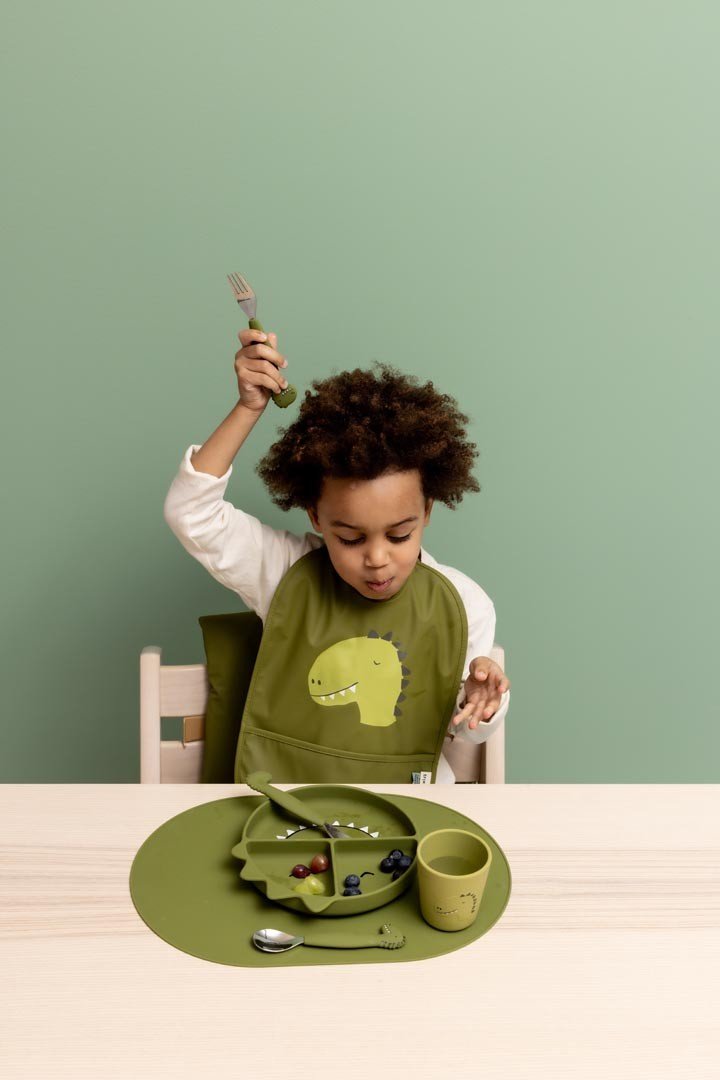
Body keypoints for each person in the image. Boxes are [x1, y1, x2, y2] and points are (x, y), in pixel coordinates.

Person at [163, 328, 510, 783]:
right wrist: (249, 409)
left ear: (426, 512)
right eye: (350, 539)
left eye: (399, 535)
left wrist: (481, 701)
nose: (377, 559)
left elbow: (471, 736)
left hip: (411, 812)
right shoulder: (284, 573)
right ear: (315, 517)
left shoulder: (465, 604)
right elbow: (191, 514)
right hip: (282, 806)